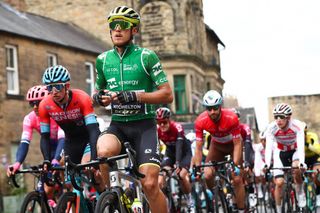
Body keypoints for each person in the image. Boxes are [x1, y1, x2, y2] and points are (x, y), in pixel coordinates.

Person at [92, 6, 173, 213]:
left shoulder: (146, 56)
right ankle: (110, 198)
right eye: (113, 26)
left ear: (134, 30)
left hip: (144, 126)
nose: (117, 30)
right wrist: (99, 98)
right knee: (103, 151)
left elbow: (167, 94)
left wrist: (135, 95)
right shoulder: (102, 60)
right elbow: (99, 92)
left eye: (123, 26)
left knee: (150, 185)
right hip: (118, 125)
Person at [39, 65, 102, 190]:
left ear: (66, 86)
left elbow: (93, 130)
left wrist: (95, 159)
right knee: (69, 183)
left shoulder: (82, 98)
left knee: (88, 169)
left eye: (57, 86)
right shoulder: (45, 105)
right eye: (49, 87)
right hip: (71, 142)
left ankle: (105, 200)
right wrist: (46, 160)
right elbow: (44, 137)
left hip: (89, 138)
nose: (54, 92)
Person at [7, 85, 65, 206]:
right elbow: (24, 142)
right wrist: (17, 163)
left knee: (64, 176)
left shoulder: (57, 113)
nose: (35, 107)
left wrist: (56, 160)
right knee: (46, 190)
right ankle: (54, 205)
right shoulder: (29, 118)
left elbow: (62, 139)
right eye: (31, 103)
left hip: (63, 144)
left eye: (38, 103)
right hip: (49, 148)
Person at [193, 90, 246, 212]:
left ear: (220, 106)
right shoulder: (200, 120)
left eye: (215, 108)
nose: (212, 112)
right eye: (209, 108)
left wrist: (236, 164)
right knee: (207, 174)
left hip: (233, 146)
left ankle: (241, 209)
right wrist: (197, 166)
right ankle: (217, 195)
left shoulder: (231, 117)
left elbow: (237, 143)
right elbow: (198, 147)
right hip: (217, 147)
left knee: (237, 178)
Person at [264, 103, 306, 212]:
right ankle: (278, 209)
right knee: (279, 183)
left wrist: (302, 162)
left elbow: (301, 145)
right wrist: (267, 164)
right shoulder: (271, 128)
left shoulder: (296, 126)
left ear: (288, 117)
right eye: (276, 117)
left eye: (281, 117)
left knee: (296, 168)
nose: (278, 120)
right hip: (280, 152)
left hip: (294, 151)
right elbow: (269, 147)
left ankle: (300, 191)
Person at [156, 107, 192, 196]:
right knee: (161, 177)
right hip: (170, 153)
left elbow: (179, 146)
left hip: (184, 153)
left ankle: (189, 198)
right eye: (159, 123)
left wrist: (178, 162)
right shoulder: (157, 130)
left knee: (182, 175)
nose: (162, 125)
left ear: (169, 120)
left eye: (164, 122)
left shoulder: (177, 127)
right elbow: (155, 147)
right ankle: (168, 200)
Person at [232, 108, 256, 208]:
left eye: (236, 118)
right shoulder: (226, 129)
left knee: (247, 168)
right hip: (233, 152)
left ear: (239, 118)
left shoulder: (245, 128)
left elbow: (248, 144)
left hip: (245, 150)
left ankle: (251, 190)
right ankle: (233, 198)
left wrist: (246, 162)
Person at [303, 124, 320, 207]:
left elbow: (318, 150)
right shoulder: (295, 140)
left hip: (315, 157)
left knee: (315, 174)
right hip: (304, 159)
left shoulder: (312, 136)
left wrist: (308, 145)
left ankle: (318, 195)